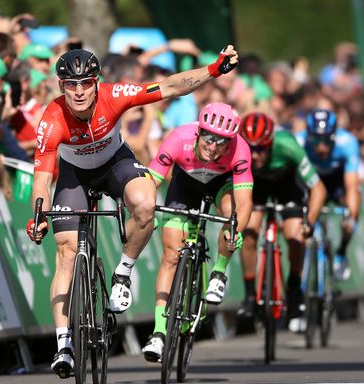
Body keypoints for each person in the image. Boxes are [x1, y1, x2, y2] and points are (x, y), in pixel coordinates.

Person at [27, 47, 239, 378]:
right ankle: (64, 344)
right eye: (71, 84)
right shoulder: (52, 121)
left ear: (97, 83)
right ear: (60, 86)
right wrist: (39, 213)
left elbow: (168, 87)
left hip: (115, 163)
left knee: (145, 202)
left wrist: (213, 69)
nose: (79, 91)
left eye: (86, 82)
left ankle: (123, 272)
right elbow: (41, 178)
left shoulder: (115, 96)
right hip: (74, 175)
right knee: (67, 252)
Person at [140, 102, 253, 362]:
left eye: (222, 142)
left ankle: (219, 271)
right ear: (199, 132)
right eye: (209, 138)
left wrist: (235, 229)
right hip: (185, 184)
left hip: (221, 185)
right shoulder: (178, 138)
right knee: (170, 255)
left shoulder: (240, 150)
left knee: (231, 214)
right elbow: (151, 180)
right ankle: (158, 332)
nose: (213, 147)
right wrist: (143, 210)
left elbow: (244, 201)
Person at [237, 112, 326, 332]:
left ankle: (294, 287)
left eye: (261, 149)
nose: (256, 155)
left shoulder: (288, 147)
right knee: (247, 232)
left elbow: (318, 189)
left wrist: (309, 222)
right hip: (255, 185)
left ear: (271, 143)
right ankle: (250, 294)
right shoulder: (237, 149)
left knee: (295, 237)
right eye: (251, 149)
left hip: (287, 185)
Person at [296, 109, 360, 280]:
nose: (321, 145)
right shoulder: (299, 141)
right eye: (316, 139)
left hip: (337, 182)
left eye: (326, 139)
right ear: (309, 135)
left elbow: (352, 187)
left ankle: (341, 252)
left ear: (335, 135)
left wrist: (351, 218)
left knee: (351, 209)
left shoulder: (347, 143)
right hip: (311, 182)